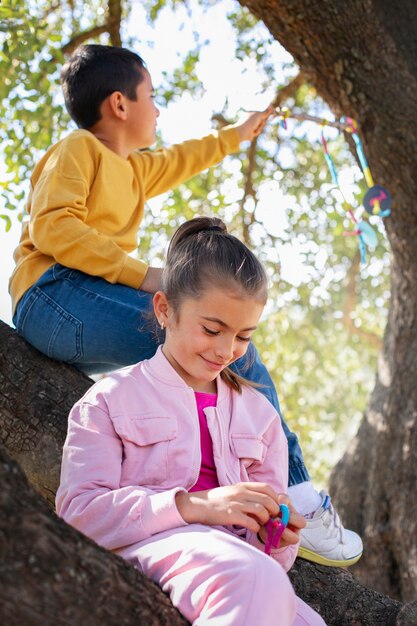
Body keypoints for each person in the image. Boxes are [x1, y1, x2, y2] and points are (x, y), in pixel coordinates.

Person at [10, 44, 362, 567]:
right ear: (120, 105)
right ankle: (294, 492)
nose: (158, 109)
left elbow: (184, 159)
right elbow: (54, 228)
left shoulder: (134, 169)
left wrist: (238, 136)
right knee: (222, 345)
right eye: (151, 96)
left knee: (218, 351)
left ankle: (229, 486)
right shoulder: (79, 149)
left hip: (82, 304)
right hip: (52, 294)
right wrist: (145, 274)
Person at [56, 216, 326, 625]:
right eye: (212, 329)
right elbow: (79, 514)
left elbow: (268, 556)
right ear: (165, 309)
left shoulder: (260, 416)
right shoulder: (109, 400)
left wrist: (277, 534)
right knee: (252, 578)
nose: (227, 349)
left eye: (243, 336)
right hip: (154, 552)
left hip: (241, 573)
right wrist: (193, 506)